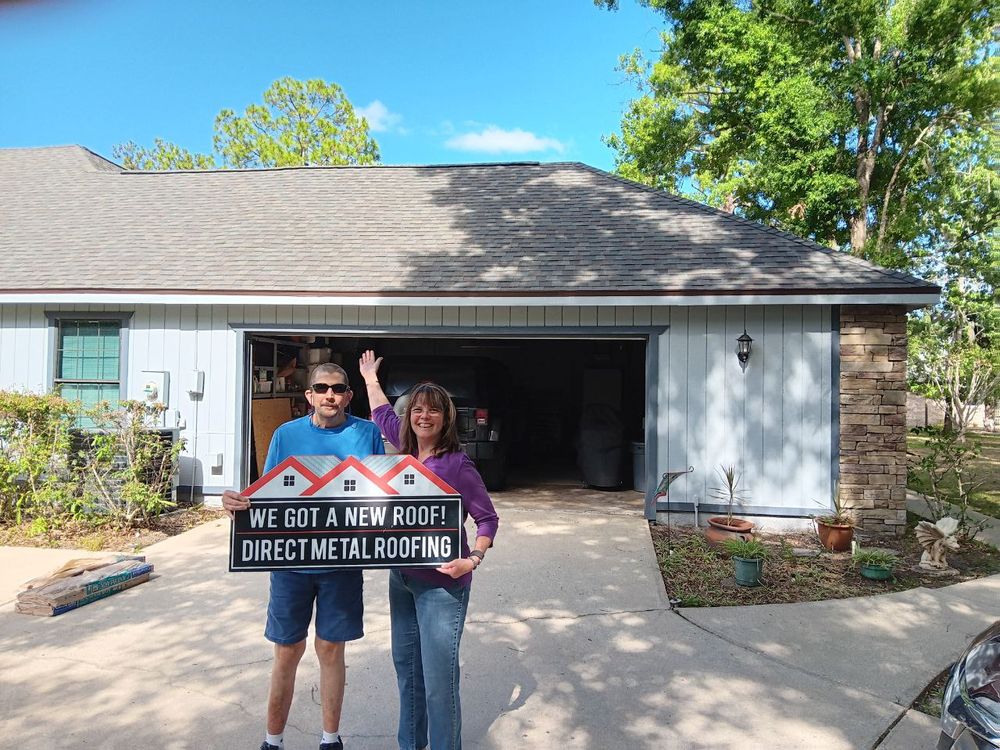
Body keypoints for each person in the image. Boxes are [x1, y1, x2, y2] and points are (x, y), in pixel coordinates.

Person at [223, 363, 384, 750]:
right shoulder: (285, 434)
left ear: (348, 395)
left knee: (331, 649)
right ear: (309, 395)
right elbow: (267, 493)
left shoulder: (368, 433)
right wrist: (238, 501)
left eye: (338, 388)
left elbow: (382, 494)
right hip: (291, 564)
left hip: (343, 563)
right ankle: (272, 740)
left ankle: (331, 740)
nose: (330, 394)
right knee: (287, 650)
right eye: (322, 388)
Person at [359, 350, 499, 750]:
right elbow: (383, 412)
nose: (424, 416)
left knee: (439, 682)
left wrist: (472, 558)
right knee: (408, 673)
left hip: (442, 584)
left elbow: (487, 519)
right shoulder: (401, 450)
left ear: (446, 418)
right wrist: (370, 377)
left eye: (433, 411)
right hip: (401, 578)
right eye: (417, 409)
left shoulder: (456, 464)